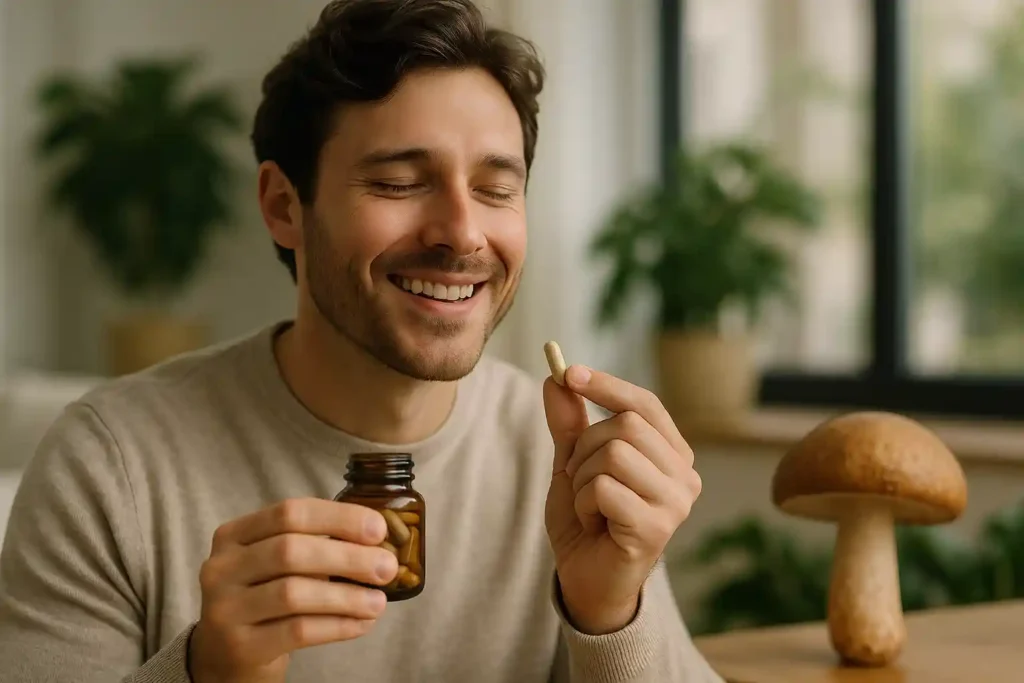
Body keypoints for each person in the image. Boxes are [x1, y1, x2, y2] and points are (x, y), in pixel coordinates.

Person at [0, 1, 722, 681]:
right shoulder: (108, 466)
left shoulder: (564, 462)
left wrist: (610, 612)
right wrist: (207, 670)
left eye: (497, 188)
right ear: (284, 206)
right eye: (400, 181)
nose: (464, 233)